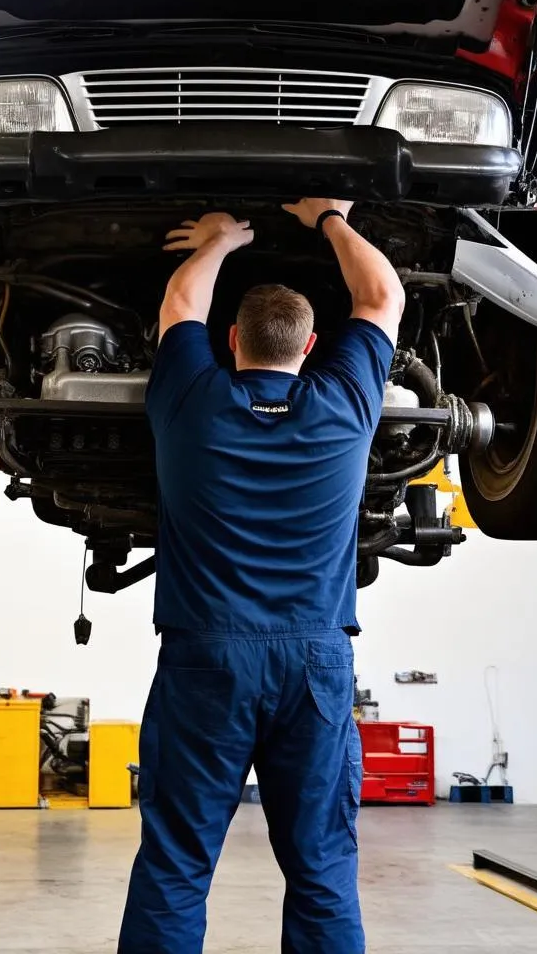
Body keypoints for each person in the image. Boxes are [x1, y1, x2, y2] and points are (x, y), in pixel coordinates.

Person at [118, 199, 405, 954]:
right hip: (314, 661)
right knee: (321, 869)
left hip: (205, 659)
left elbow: (181, 302)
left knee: (177, 864)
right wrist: (332, 221)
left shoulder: (193, 403)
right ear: (312, 345)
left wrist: (221, 239)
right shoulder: (344, 405)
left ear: (231, 339)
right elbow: (382, 298)